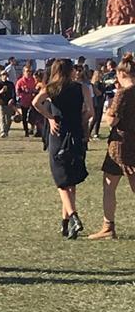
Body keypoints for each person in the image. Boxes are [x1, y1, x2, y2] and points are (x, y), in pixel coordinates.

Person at [32, 58, 91, 240]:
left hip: (58, 133)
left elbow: (36, 103)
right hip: (75, 133)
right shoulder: (81, 87)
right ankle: (65, 224)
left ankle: (73, 217)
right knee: (70, 180)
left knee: (61, 181)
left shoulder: (51, 88)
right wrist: (82, 124)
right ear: (71, 70)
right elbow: (90, 112)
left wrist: (50, 117)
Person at [89, 53, 135, 240]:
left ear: (122, 74)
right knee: (110, 183)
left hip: (121, 145)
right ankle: (107, 226)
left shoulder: (123, 93)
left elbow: (112, 120)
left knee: (110, 187)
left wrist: (109, 110)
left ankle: (108, 225)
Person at [16, 65, 40, 137]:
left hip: (33, 101)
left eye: (30, 71)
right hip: (24, 101)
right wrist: (22, 94)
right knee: (24, 117)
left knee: (34, 116)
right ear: (23, 72)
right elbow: (17, 92)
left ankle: (34, 129)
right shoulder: (20, 81)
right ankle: (26, 131)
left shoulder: (34, 80)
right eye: (27, 71)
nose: (29, 73)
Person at [0, 71, 17, 138]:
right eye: (3, 75)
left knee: (9, 118)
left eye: (5, 75)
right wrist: (0, 92)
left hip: (9, 103)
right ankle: (2, 131)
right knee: (2, 117)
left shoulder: (10, 84)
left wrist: (13, 100)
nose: (4, 76)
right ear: (0, 76)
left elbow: (14, 93)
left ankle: (6, 131)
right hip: (1, 103)